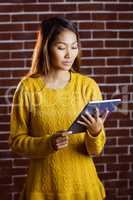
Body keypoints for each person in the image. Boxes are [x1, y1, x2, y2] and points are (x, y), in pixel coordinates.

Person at [9, 16, 109, 200]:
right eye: (61, 47)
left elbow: (95, 150)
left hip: (84, 189)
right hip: (41, 190)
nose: (69, 55)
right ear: (46, 48)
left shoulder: (88, 86)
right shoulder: (27, 88)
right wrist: (47, 143)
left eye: (74, 46)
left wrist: (95, 133)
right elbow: (16, 142)